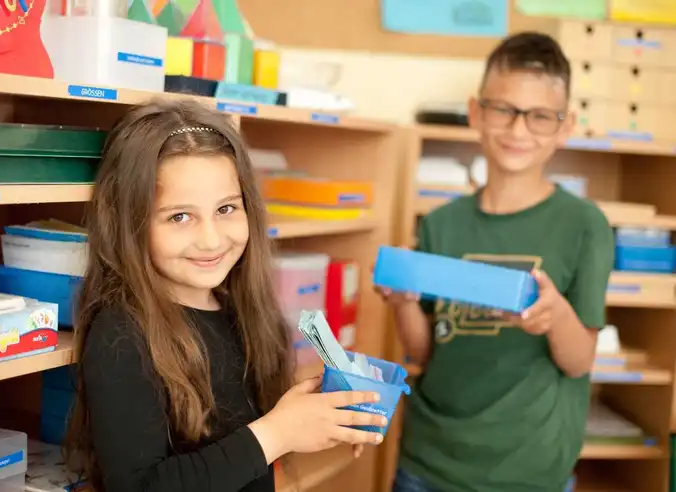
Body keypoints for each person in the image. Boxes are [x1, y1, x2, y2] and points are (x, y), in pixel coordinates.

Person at [64, 99, 387, 492]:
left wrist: (312, 410)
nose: (212, 239)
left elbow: (233, 438)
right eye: (179, 216)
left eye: (226, 209)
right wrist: (277, 433)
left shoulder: (238, 309)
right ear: (128, 222)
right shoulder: (121, 335)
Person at [381, 32, 614, 492]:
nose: (518, 130)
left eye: (540, 116)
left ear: (565, 127)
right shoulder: (441, 224)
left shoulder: (585, 224)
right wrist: (404, 302)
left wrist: (555, 315)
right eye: (503, 109)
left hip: (528, 470)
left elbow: (579, 360)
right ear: (476, 112)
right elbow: (425, 352)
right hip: (428, 463)